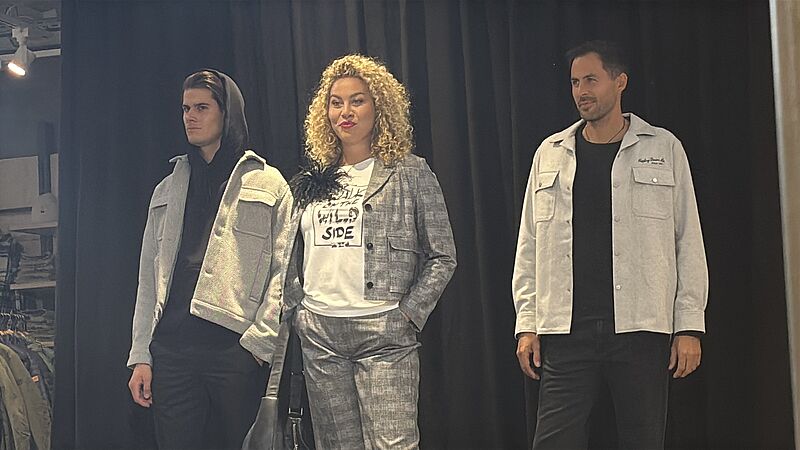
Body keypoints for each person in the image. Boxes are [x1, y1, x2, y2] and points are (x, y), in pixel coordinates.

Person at [512, 40, 708, 449]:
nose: (581, 91)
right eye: (574, 82)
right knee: (553, 442)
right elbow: (529, 243)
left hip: (640, 328)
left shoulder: (662, 147)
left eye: (591, 80)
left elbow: (687, 238)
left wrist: (689, 325)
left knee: (643, 440)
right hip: (565, 330)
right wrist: (526, 323)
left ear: (620, 82)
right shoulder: (550, 153)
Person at [277, 54, 457, 449]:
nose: (345, 112)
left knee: (393, 444)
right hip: (321, 333)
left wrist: (407, 314)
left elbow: (442, 255)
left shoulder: (408, 171)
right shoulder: (315, 178)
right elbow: (290, 255)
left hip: (383, 333)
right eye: (336, 102)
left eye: (357, 101)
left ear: (379, 107)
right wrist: (299, 310)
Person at [126, 69, 292, 450]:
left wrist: (258, 345)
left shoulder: (268, 184)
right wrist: (141, 355)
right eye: (186, 108)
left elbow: (284, 272)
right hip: (172, 351)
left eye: (202, 107)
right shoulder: (167, 188)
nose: (191, 117)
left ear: (227, 113)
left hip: (234, 350)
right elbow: (149, 278)